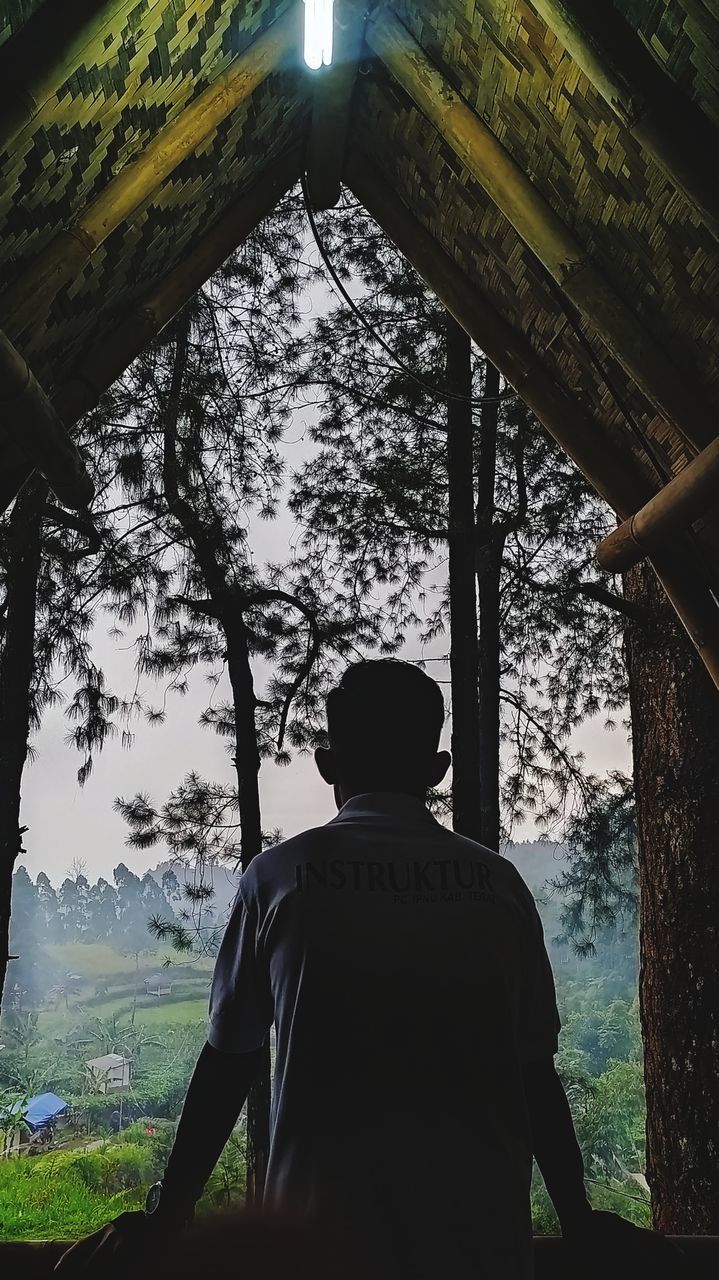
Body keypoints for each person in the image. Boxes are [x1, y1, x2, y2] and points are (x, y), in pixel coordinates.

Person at [56, 660, 682, 1279]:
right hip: (480, 1244)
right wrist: (578, 1218)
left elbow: (229, 1059)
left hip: (316, 1245)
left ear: (328, 763)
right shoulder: (499, 886)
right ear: (437, 771)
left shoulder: (278, 881)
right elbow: (533, 1073)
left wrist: (167, 1218)